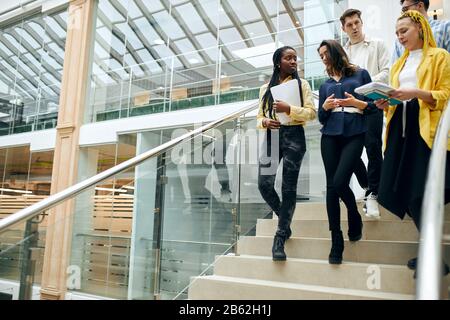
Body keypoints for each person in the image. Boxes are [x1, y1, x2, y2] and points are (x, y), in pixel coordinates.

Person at [375, 10, 450, 275]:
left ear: (419, 28)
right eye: (397, 33)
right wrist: (386, 103)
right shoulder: (399, 64)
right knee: (400, 191)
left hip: (425, 131)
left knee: (419, 193)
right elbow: (397, 98)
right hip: (400, 130)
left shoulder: (440, 57)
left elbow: (446, 94)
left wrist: (416, 92)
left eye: (403, 30)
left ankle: (432, 258)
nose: (399, 36)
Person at [317, 40, 376, 264]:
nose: (323, 58)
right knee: (331, 187)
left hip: (354, 133)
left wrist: (356, 102)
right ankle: (336, 239)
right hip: (329, 136)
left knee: (340, 181)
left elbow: (373, 106)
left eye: (326, 53)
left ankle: (353, 213)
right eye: (320, 55)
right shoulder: (324, 85)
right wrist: (324, 108)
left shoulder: (360, 75)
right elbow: (321, 118)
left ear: (336, 52)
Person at [257, 46, 316, 261]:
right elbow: (259, 117)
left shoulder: (303, 85)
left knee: (288, 187)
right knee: (264, 185)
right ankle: (286, 219)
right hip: (272, 136)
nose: (293, 61)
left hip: (294, 136)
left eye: (295, 58)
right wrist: (264, 121)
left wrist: (289, 109)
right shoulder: (265, 88)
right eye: (288, 58)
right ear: (278, 62)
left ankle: (280, 236)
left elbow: (311, 113)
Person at [341, 8, 391, 219]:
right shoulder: (342, 54)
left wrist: (364, 85)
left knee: (372, 146)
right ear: (343, 29)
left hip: (372, 103)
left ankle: (374, 192)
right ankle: (369, 184)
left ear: (362, 23)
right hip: (351, 107)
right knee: (350, 152)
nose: (354, 27)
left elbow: (387, 72)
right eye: (349, 25)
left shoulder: (377, 44)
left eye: (357, 23)